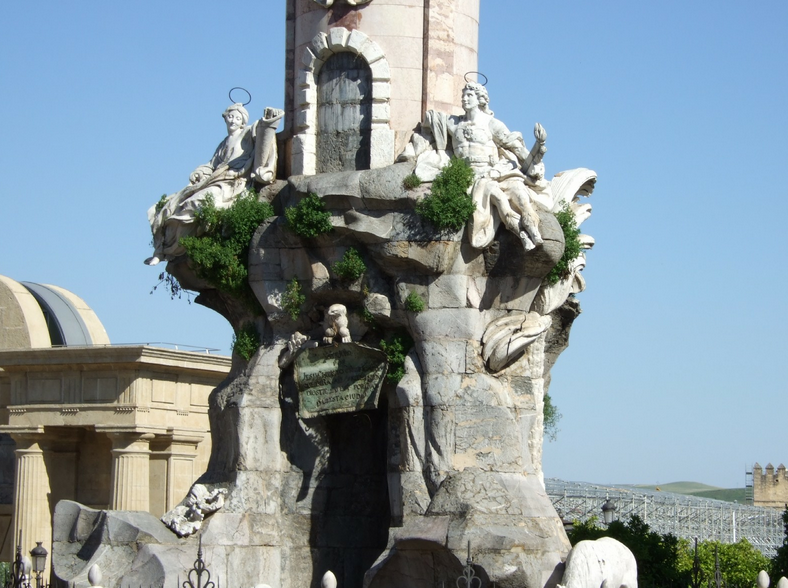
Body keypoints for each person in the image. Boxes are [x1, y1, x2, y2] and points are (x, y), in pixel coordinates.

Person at [145, 103, 283, 265]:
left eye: (237, 118)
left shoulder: (247, 133)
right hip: (217, 180)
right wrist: (200, 172)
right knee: (174, 204)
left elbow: (261, 136)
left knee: (196, 202)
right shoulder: (224, 143)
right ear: (225, 119)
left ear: (243, 122)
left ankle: (173, 246)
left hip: (234, 183)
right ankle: (164, 249)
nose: (233, 120)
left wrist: (268, 122)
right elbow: (212, 165)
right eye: (230, 116)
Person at [419, 82, 548, 251]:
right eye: (463, 95)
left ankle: (533, 230)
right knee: (500, 200)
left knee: (521, 197)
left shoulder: (491, 124)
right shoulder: (453, 123)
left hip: (497, 171)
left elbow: (516, 148)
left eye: (469, 95)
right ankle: (521, 234)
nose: (464, 99)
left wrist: (539, 147)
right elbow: (432, 119)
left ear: (480, 99)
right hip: (471, 176)